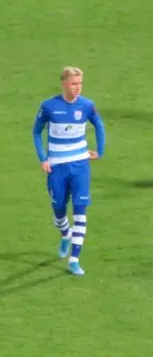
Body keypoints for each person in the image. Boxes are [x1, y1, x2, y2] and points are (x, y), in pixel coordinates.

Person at [33, 67, 106, 276]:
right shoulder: (48, 106)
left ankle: (74, 260)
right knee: (58, 208)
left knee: (80, 209)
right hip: (56, 166)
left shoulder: (87, 106)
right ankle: (65, 233)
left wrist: (100, 151)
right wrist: (43, 158)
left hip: (80, 165)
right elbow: (37, 132)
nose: (78, 88)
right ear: (64, 83)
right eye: (74, 84)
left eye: (80, 84)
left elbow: (99, 125)